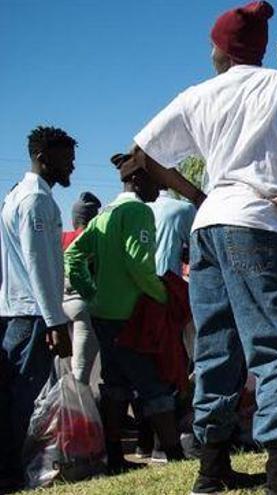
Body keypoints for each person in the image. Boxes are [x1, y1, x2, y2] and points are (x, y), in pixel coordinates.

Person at [129, 2, 277, 493]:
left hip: (207, 230)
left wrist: (200, 197)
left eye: (212, 45)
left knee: (215, 350)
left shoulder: (198, 95)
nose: (210, 52)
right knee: (275, 348)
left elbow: (143, 155)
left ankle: (211, 472)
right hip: (259, 225)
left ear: (223, 48)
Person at [65, 153, 186, 473]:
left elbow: (74, 255)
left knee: (115, 385)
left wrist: (92, 293)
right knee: (155, 384)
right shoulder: (136, 211)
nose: (159, 191)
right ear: (137, 180)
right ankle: (173, 454)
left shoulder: (106, 213)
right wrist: (162, 295)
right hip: (132, 316)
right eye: (156, 183)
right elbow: (138, 263)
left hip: (104, 313)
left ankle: (114, 456)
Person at [0, 126, 74, 489]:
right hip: (32, 314)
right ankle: (9, 472)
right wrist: (55, 322)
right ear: (43, 157)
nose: (72, 165)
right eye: (66, 158)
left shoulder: (15, 194)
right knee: (20, 399)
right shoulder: (36, 201)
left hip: (20, 311)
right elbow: (38, 265)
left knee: (15, 396)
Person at [62, 192, 103, 385]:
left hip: (59, 305)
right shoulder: (94, 240)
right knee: (80, 372)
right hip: (82, 306)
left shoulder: (61, 238)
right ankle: (78, 410)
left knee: (60, 367)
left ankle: (62, 408)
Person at [151, 186, 197, 277]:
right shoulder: (184, 208)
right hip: (168, 282)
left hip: (137, 282)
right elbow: (199, 249)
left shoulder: (134, 208)